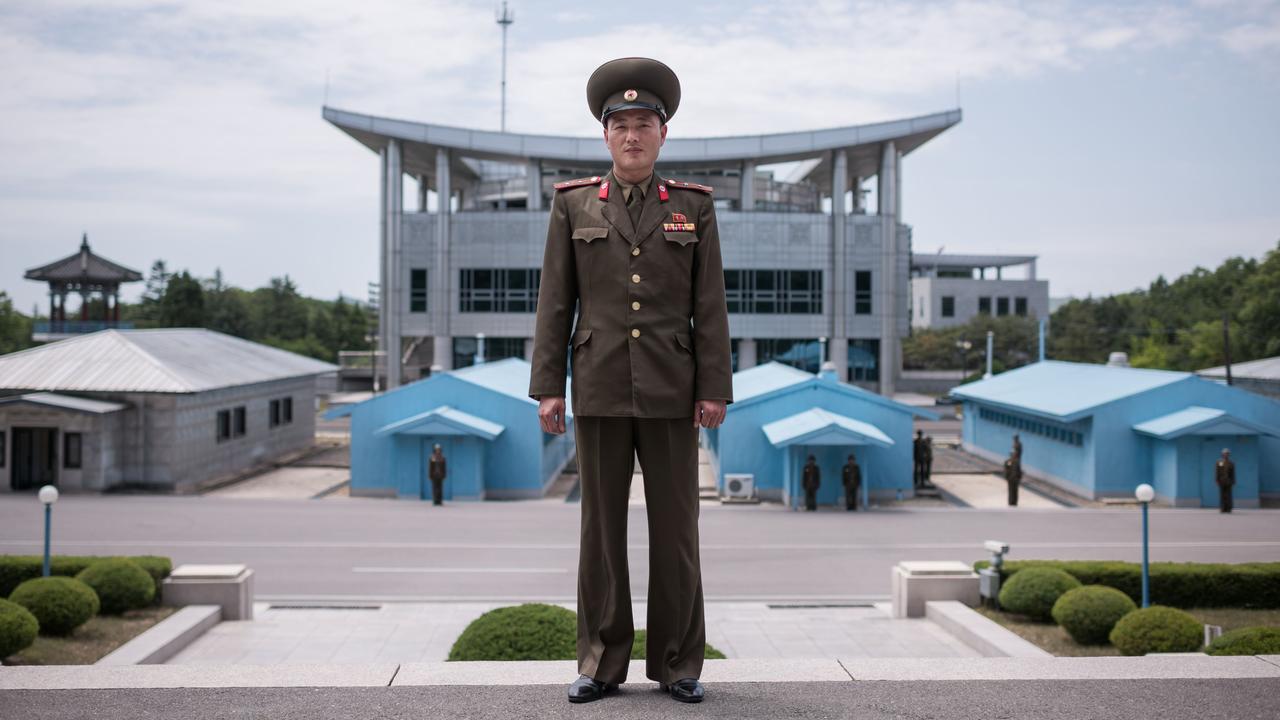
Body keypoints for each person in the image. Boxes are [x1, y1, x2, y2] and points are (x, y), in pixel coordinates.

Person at [527, 57, 731, 705]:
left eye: (644, 124)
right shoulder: (574, 204)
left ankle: (677, 665)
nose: (633, 135)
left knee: (676, 532)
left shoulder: (692, 208)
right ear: (606, 135)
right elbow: (555, 301)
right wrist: (548, 387)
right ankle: (600, 663)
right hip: (599, 384)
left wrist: (714, 387)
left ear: (663, 134)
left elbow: (711, 304)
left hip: (675, 388)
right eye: (621, 125)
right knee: (600, 533)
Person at [1215, 448, 1235, 513]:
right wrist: (1217, 480)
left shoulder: (1231, 463)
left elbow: (1233, 473)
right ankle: (1223, 508)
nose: (1226, 455)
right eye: (1225, 453)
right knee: (1222, 495)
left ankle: (1229, 508)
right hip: (1221, 481)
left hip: (1229, 481)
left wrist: (1233, 481)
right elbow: (1217, 471)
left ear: (1229, 455)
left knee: (1229, 495)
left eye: (1227, 453)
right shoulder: (1219, 462)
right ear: (1222, 454)